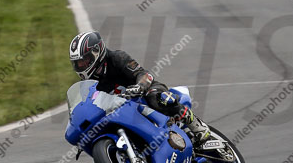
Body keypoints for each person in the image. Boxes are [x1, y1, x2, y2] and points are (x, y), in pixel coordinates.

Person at [69, 31, 210, 151]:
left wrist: (139, 86)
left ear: (96, 52)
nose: (81, 66)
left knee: (157, 98)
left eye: (83, 61)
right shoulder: (89, 84)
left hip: (143, 93)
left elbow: (143, 74)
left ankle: (196, 125)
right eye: (77, 63)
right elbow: (90, 104)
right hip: (122, 110)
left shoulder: (117, 58)